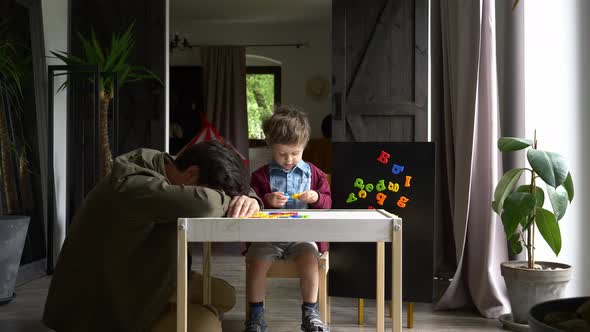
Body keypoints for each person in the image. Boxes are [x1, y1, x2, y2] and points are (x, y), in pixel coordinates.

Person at [43, 140, 261, 332]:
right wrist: (227, 199)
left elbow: (226, 189)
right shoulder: (135, 186)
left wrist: (248, 198)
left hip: (144, 275)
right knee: (207, 325)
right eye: (217, 191)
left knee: (225, 296)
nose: (220, 197)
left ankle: (176, 311)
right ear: (192, 174)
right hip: (104, 304)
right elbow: (206, 203)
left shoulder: (171, 166)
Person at [246, 106, 331, 332]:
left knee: (310, 262)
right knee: (255, 262)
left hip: (302, 237)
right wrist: (266, 199)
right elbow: (251, 201)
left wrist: (316, 197)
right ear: (271, 147)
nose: (289, 159)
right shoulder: (260, 175)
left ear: (304, 147)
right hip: (268, 236)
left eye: (295, 153)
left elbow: (328, 202)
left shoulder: (315, 174)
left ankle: (310, 313)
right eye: (282, 154)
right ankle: (255, 315)